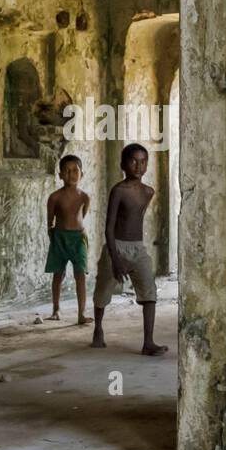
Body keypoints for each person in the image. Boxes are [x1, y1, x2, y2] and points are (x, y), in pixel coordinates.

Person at [91, 143, 165, 355]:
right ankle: (98, 329)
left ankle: (148, 343)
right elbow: (109, 227)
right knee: (103, 290)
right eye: (133, 161)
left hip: (138, 249)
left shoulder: (148, 192)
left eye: (143, 161)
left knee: (149, 292)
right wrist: (115, 258)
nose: (139, 165)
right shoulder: (119, 191)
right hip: (116, 247)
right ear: (123, 164)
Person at [44, 154, 91, 325]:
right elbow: (50, 221)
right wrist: (54, 237)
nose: (71, 174)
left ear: (82, 174)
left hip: (78, 238)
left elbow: (82, 216)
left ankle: (81, 314)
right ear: (60, 175)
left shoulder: (84, 197)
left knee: (80, 275)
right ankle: (56, 309)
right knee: (58, 274)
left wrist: (77, 232)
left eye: (75, 170)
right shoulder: (54, 197)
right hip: (59, 238)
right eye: (67, 171)